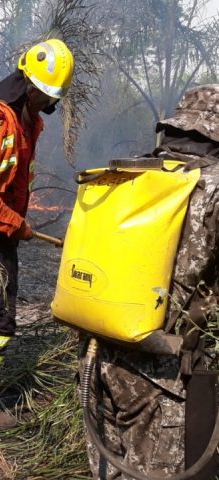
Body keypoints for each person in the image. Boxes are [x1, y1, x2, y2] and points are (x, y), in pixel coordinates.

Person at [79, 85, 219, 479]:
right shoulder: (213, 189)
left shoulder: (130, 170)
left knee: (108, 470)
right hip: (160, 375)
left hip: (95, 351)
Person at [0, 39, 75, 429]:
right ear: (28, 83)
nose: (48, 104)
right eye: (44, 94)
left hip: (0, 229)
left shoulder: (27, 119)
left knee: (0, 313)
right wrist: (14, 225)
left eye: (53, 96)